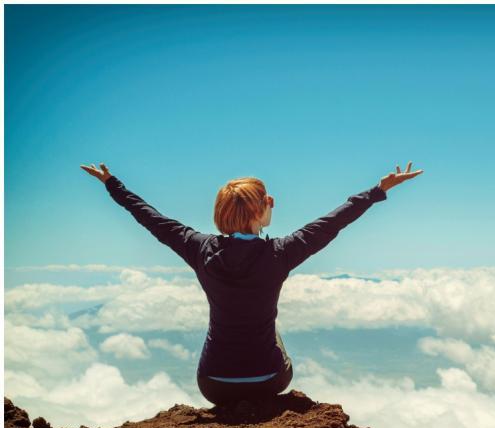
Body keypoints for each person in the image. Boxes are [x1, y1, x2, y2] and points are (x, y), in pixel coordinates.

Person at [80, 161, 424, 408]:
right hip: (269, 381)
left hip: (213, 385)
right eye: (267, 201)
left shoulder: (197, 248)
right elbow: (334, 221)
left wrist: (112, 183)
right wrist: (378, 190)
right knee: (271, 328)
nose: (271, 204)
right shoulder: (281, 253)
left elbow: (149, 216)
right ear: (260, 211)